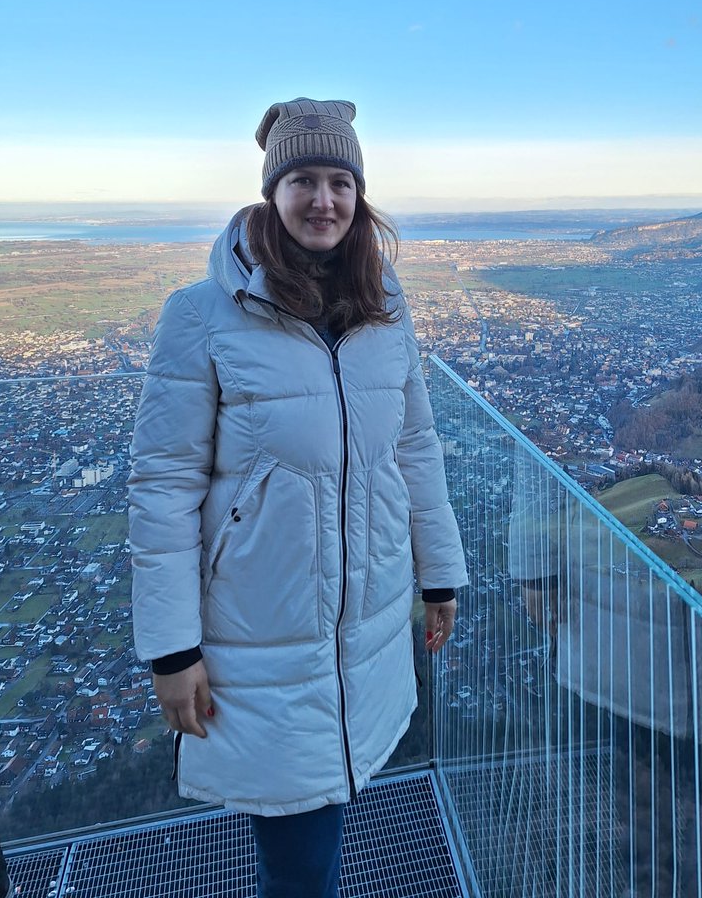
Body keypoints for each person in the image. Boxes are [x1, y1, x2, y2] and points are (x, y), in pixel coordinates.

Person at [128, 98, 468, 898]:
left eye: (340, 182)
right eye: (304, 180)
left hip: (368, 629)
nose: (324, 200)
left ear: (359, 196)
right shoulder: (203, 315)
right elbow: (163, 488)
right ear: (272, 192)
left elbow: (414, 451)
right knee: (301, 861)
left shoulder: (386, 310)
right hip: (261, 639)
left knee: (326, 826)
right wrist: (171, 652)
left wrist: (440, 576)